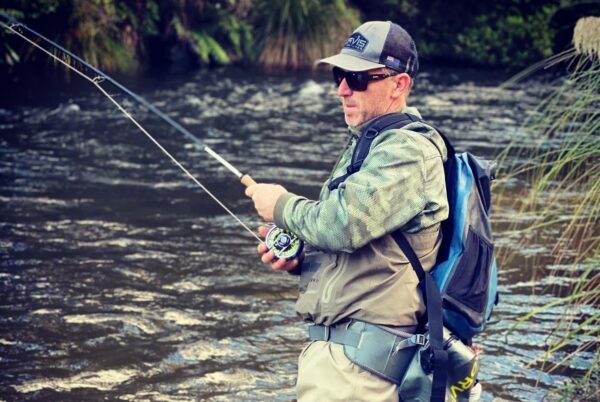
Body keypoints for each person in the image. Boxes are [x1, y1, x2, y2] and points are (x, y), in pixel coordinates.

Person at [245, 20, 448, 401]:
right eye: (340, 75)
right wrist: (302, 258)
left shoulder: (407, 151)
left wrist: (280, 206)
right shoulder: (370, 144)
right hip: (343, 362)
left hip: (361, 372)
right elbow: (361, 247)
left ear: (398, 85)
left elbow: (342, 224)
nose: (341, 90)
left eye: (356, 79)